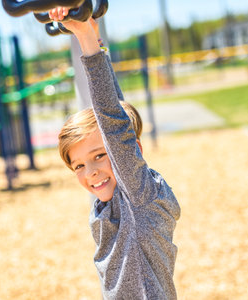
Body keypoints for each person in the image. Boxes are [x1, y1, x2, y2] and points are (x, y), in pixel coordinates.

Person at [52, 7, 181, 300]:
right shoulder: (115, 197)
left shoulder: (140, 197)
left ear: (132, 150)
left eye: (99, 155)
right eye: (79, 165)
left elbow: (114, 121)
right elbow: (119, 112)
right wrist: (96, 42)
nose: (91, 172)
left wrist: (85, 37)